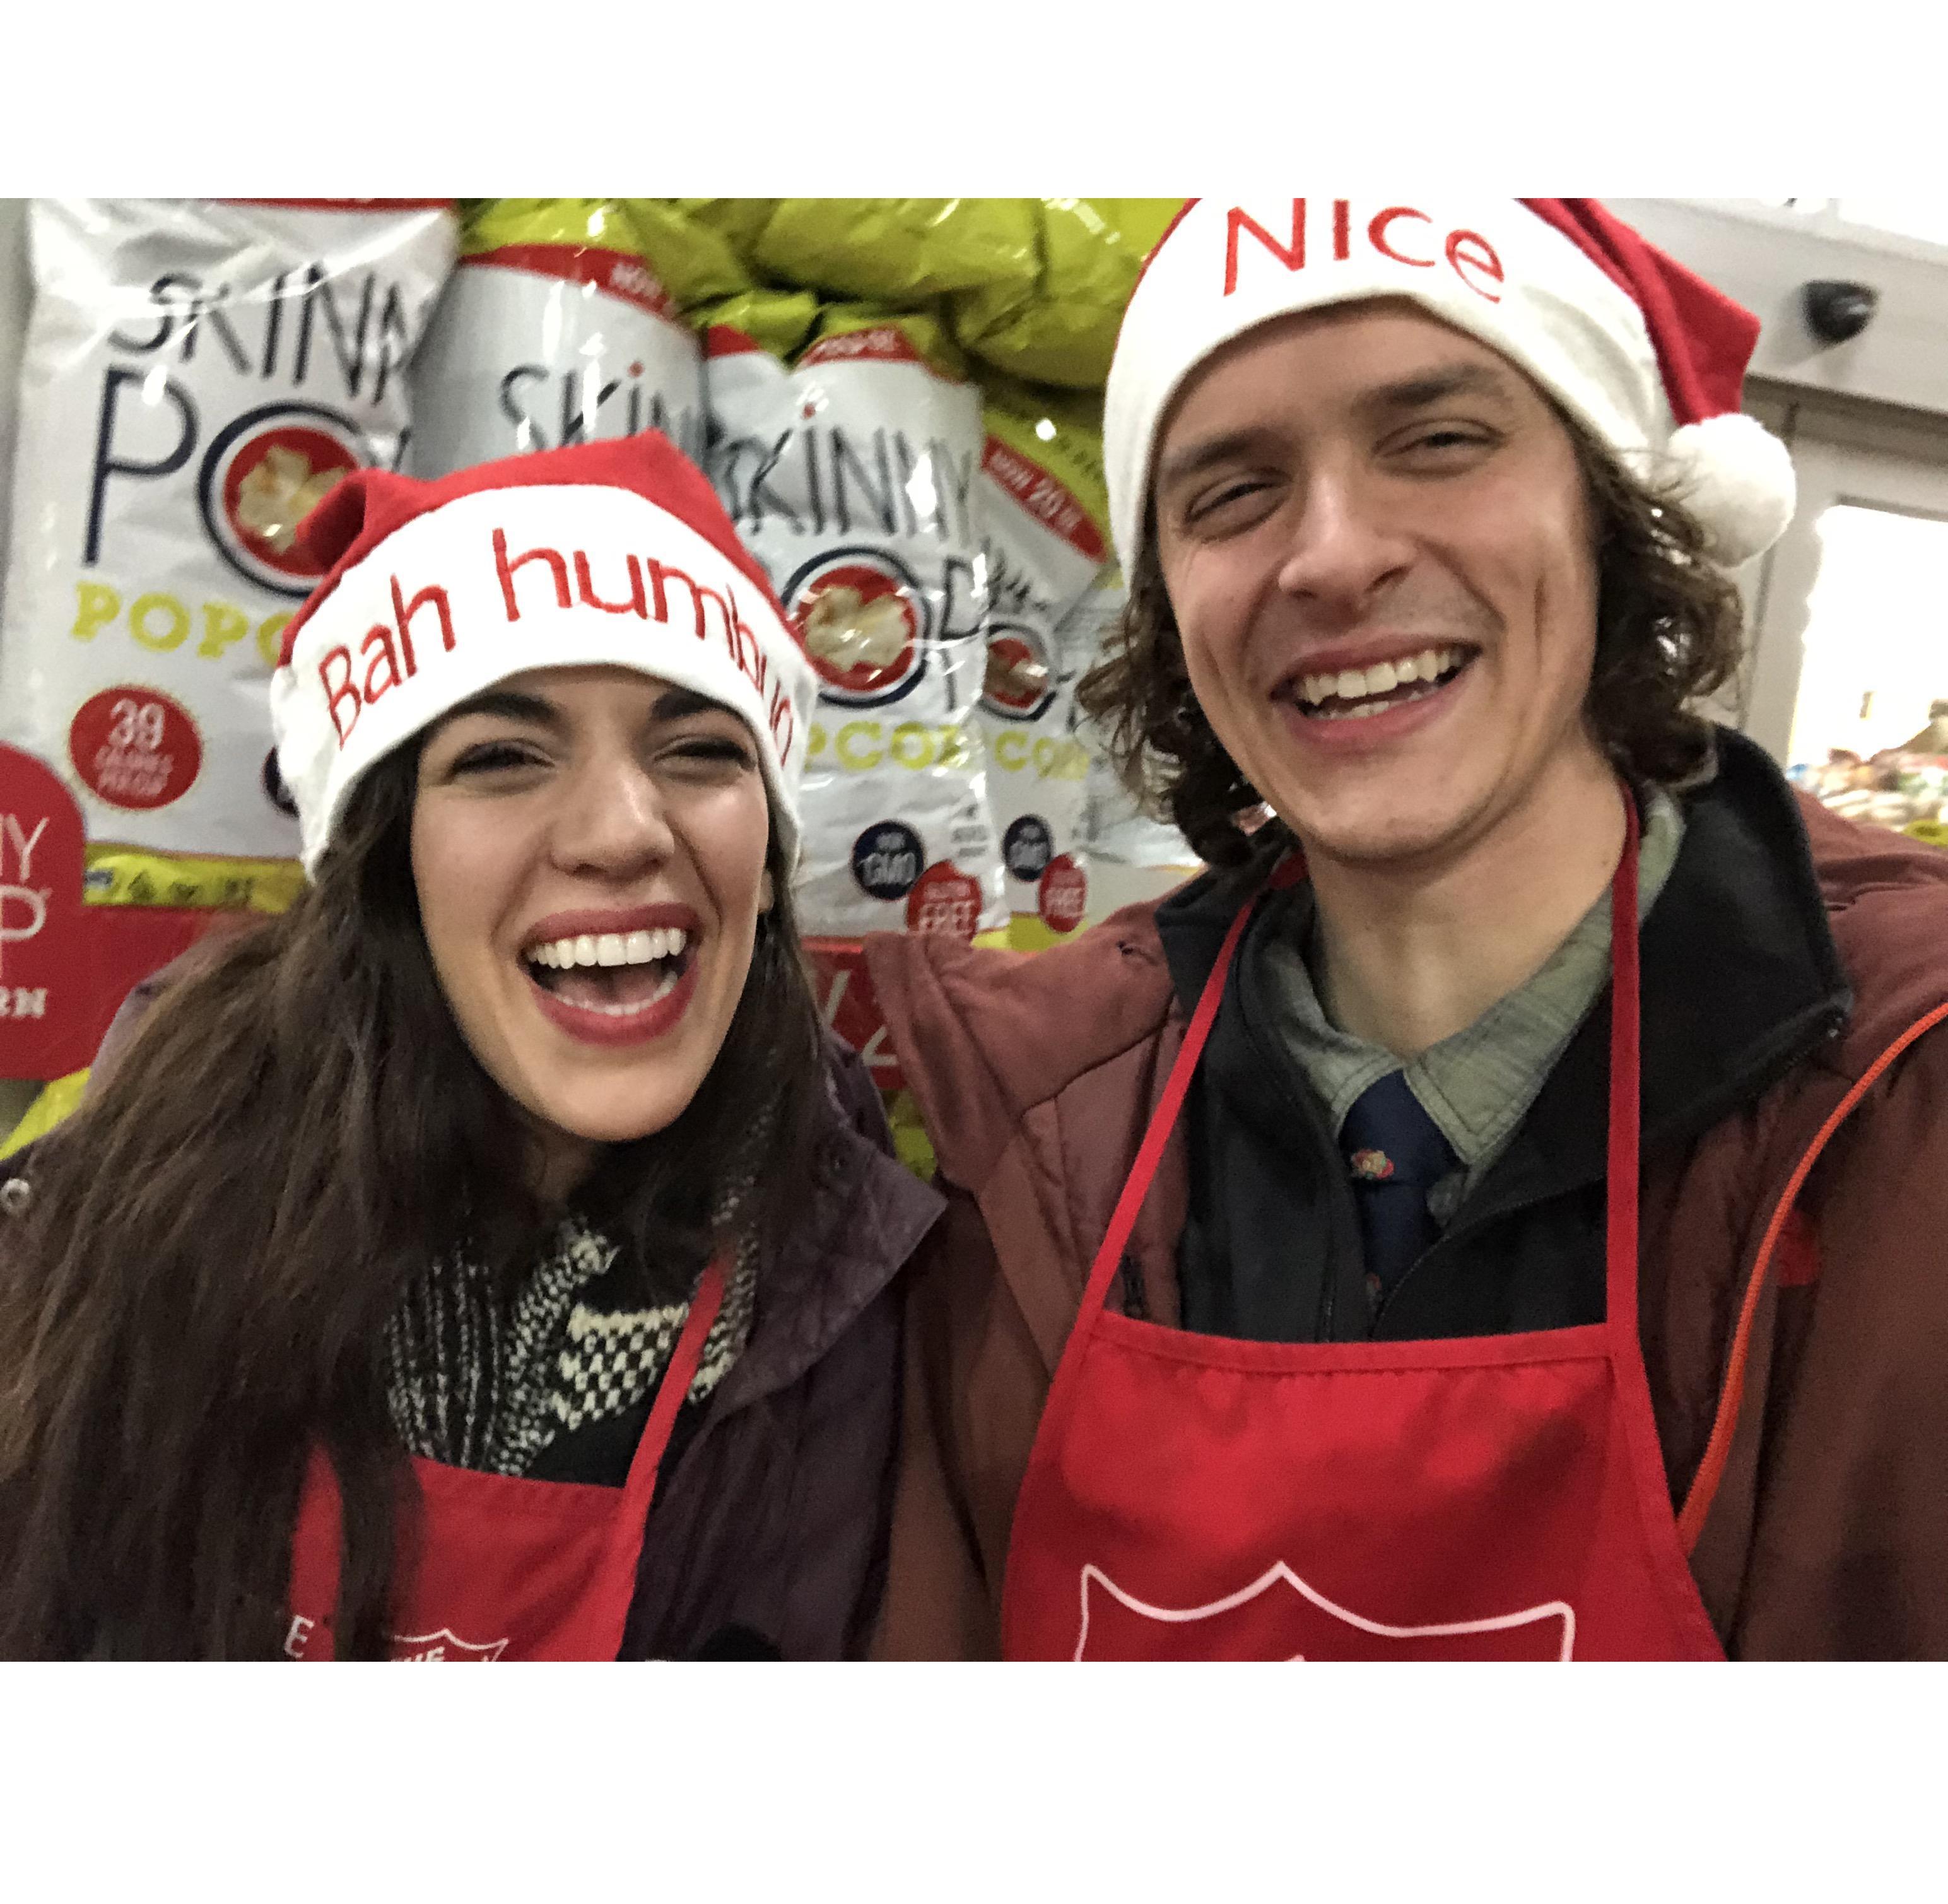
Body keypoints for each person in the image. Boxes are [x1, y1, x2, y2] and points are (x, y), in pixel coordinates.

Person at [867, 197, 1948, 1660]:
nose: (1329, 554)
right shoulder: (1045, 1123)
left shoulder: (1902, 1114)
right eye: (1230, 492)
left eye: (1436, 440)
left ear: (1614, 510)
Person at [0, 433, 941, 1660]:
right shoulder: (144, 1193)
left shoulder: (854, 1276)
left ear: (765, 861)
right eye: (501, 756)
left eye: (700, 748)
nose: (620, 830)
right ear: (381, 864)